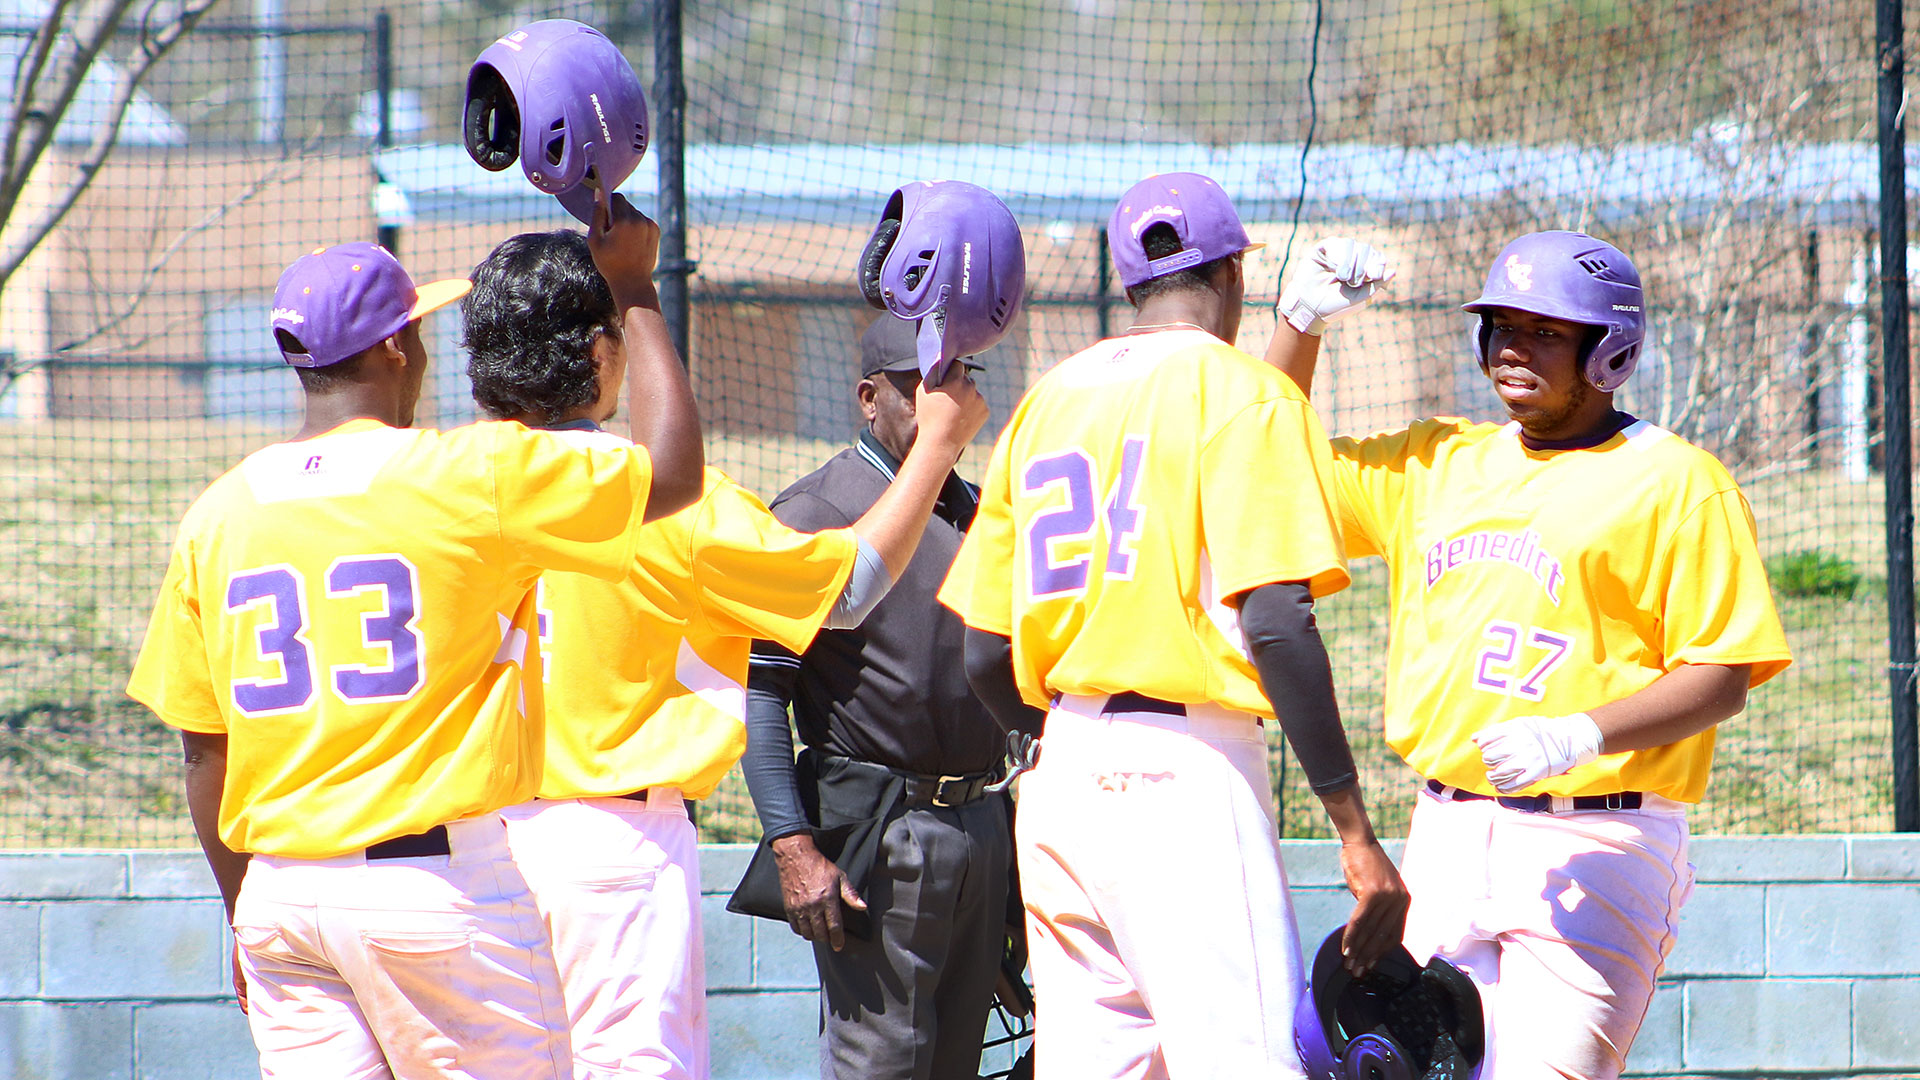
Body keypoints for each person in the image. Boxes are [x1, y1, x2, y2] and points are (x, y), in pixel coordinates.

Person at [124, 192, 702, 1080]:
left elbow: (205, 750)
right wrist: (634, 287)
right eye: (420, 329)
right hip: (432, 891)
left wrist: (244, 912)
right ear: (395, 345)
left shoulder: (219, 512)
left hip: (281, 899)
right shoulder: (463, 473)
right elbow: (673, 474)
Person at [460, 227, 988, 1079]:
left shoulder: (432, 486)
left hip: (469, 853)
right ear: (602, 352)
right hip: (612, 850)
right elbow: (848, 589)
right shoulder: (671, 505)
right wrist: (935, 447)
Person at [1268, 230, 1794, 1080]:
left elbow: (1723, 672)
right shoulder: (1435, 461)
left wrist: (1579, 733)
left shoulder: (1679, 482)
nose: (1513, 347)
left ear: (1611, 350)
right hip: (1444, 831)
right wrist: (1299, 325)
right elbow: (1266, 476)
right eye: (1502, 326)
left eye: (1546, 331)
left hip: (1599, 840)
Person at [938, 172, 1408, 1080]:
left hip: (1062, 779)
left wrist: (1064, 745)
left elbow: (984, 652)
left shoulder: (1048, 400)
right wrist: (1352, 826)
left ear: (1131, 285)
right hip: (1187, 776)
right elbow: (1276, 621)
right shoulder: (1242, 390)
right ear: (1233, 274)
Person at [741, 312, 1017, 1080]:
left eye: (956, 378)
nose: (944, 398)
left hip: (981, 826)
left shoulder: (977, 508)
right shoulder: (817, 510)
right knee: (881, 1066)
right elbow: (760, 693)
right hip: (881, 832)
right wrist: (792, 846)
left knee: (959, 1066)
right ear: (870, 398)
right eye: (921, 383)